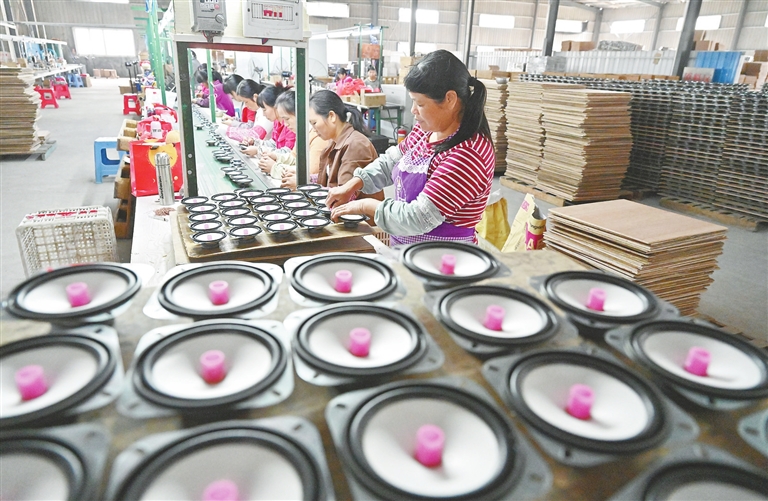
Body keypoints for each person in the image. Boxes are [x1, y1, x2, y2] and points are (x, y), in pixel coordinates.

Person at [325, 50, 494, 246]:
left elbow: (419, 217)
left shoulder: (468, 154)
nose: (413, 110)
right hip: (407, 248)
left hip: (443, 255)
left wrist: (365, 205)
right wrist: (352, 184)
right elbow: (390, 162)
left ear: (450, 99)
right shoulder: (426, 131)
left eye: (419, 103)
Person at [309, 90, 383, 200]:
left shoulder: (355, 145)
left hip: (358, 211)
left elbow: (345, 194)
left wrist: (309, 185)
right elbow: (331, 177)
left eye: (314, 123)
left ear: (332, 116)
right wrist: (309, 179)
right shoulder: (334, 141)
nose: (314, 129)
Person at [266, 91, 329, 189]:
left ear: (300, 114)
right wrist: (277, 157)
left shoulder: (319, 137)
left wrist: (275, 168)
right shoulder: (303, 133)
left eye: (287, 119)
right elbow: (294, 157)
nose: (285, 124)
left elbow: (311, 173)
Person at [243, 83, 296, 171]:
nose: (264, 114)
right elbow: (274, 143)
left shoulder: (291, 126)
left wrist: (258, 151)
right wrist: (255, 142)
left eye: (265, 110)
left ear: (275, 107)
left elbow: (288, 152)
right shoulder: (277, 122)